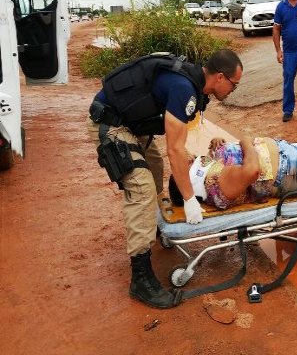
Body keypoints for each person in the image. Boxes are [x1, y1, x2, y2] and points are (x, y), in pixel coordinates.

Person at [88, 49, 243, 309]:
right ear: (219, 77)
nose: (233, 90)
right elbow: (174, 149)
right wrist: (189, 198)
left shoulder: (194, 88)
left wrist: (197, 160)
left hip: (131, 126)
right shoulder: (184, 88)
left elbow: (180, 142)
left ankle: (155, 228)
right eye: (233, 84)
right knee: (142, 188)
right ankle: (140, 278)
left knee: (155, 168)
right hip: (110, 123)